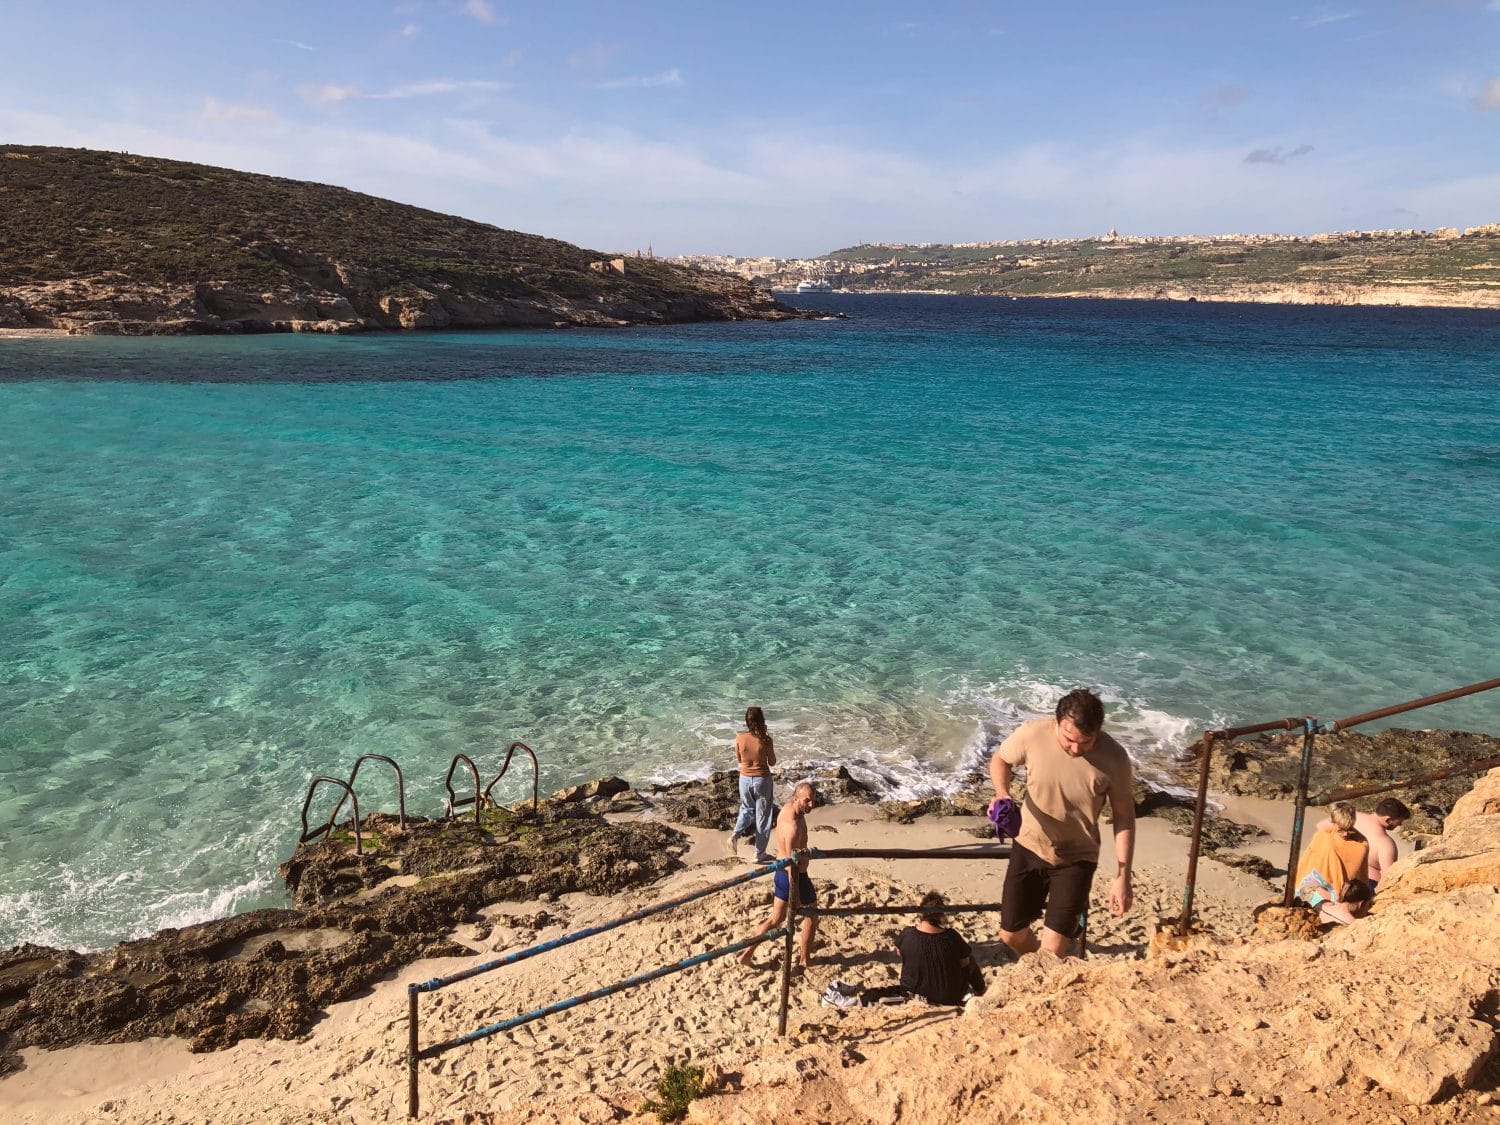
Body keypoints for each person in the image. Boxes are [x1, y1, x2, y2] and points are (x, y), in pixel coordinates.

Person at [989, 688, 1135, 959]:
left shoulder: (1115, 758)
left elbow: (1124, 816)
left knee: (1053, 951)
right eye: (1069, 739)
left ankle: (1042, 977)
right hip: (1029, 845)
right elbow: (1001, 759)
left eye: (1086, 742)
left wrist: (1123, 875)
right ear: (1057, 723)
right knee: (1011, 933)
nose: (1076, 749)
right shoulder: (1033, 733)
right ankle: (1042, 971)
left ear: (1098, 732)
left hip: (1077, 857)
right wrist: (1002, 793)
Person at [737, 782, 818, 969]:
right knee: (811, 916)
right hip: (794, 876)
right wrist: (795, 889)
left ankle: (746, 954)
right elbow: (792, 864)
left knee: (775, 919)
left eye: (813, 801)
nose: (811, 805)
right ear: (796, 798)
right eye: (807, 801)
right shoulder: (793, 826)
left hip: (780, 872)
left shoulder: (788, 809)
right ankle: (805, 959)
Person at [892, 891, 986, 1005]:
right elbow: (965, 963)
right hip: (948, 997)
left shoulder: (907, 934)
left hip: (913, 992)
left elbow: (899, 952)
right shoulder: (951, 937)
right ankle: (981, 990)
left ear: (921, 913)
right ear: (941, 915)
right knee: (968, 959)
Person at [1295, 801, 1371, 925]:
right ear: (1333, 822)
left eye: (1350, 829)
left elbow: (1362, 872)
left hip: (1348, 897)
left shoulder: (1361, 843)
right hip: (1317, 894)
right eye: (1341, 830)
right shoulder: (1323, 838)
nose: (1346, 834)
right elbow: (1307, 868)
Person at [1315, 797, 1409, 892]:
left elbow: (1320, 826)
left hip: (1328, 874)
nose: (1400, 825)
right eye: (1399, 821)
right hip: (1359, 888)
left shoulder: (1350, 817)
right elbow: (1388, 877)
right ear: (1388, 820)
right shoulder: (1385, 843)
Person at [729, 706, 777, 863]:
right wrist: (766, 740)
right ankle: (759, 853)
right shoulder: (765, 740)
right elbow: (772, 762)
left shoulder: (739, 738)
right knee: (763, 816)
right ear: (762, 721)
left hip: (744, 779)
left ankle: (735, 835)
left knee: (746, 809)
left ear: (747, 722)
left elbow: (739, 760)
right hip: (762, 779)